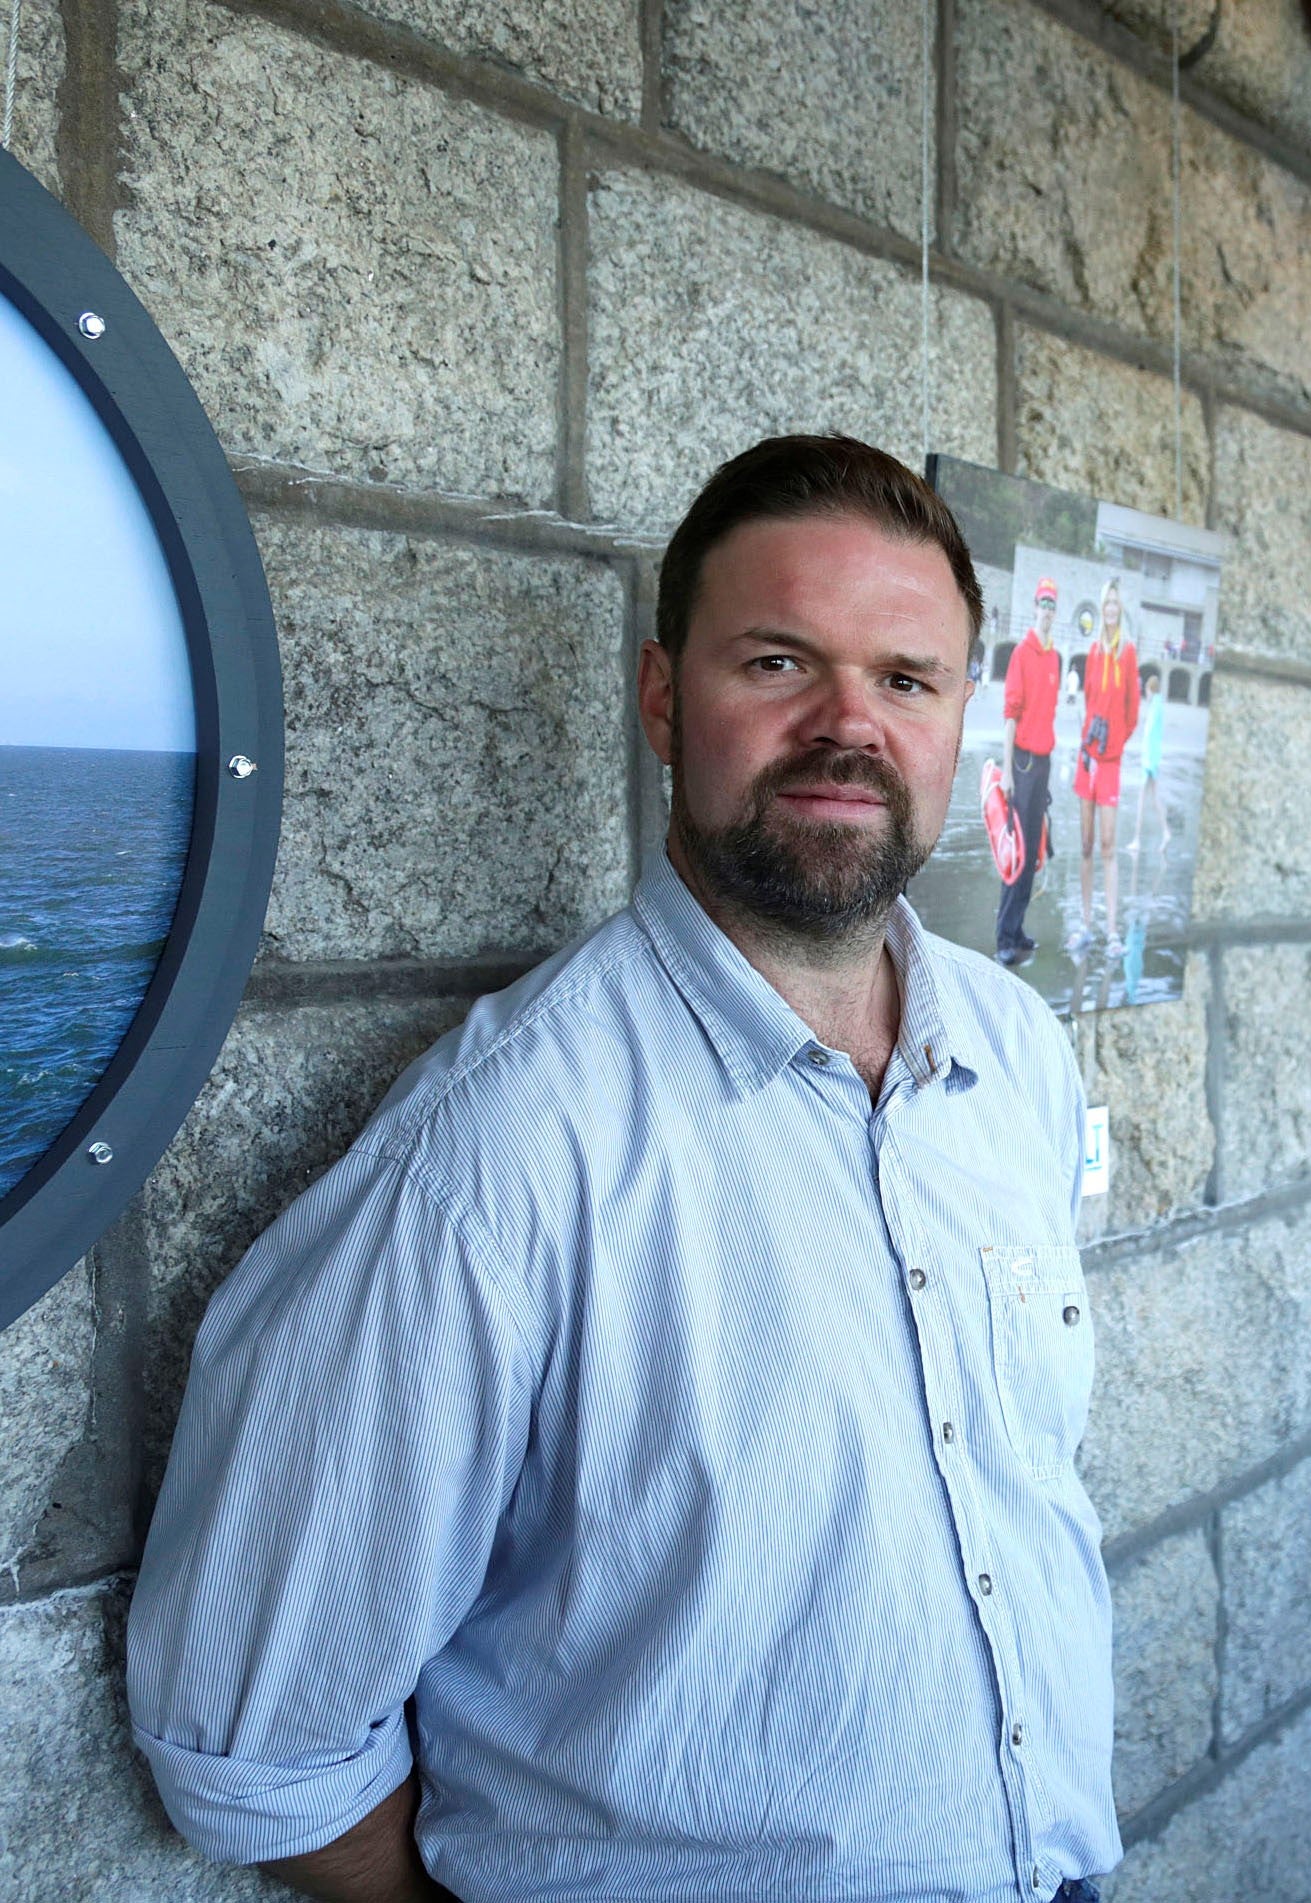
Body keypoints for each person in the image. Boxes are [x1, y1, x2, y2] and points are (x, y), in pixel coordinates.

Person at [126, 435, 1119, 1903]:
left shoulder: (1017, 1052)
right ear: (662, 697)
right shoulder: (495, 1154)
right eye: (778, 663)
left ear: (960, 715)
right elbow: (250, 1735)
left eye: (904, 678)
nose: (848, 725)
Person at [1069, 577, 1141, 955]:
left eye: (1115, 603)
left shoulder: (1127, 653)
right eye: (1106, 603)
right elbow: (1088, 700)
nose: (1111, 609)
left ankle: (1112, 931)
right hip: (1087, 759)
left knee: (1109, 845)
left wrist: (1112, 746)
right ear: (1101, 609)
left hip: (1110, 763)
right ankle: (1085, 924)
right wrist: (1090, 744)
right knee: (1085, 843)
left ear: (1120, 608)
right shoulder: (1094, 651)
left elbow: (1132, 713)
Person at [995, 577, 1063, 967]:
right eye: (1043, 603)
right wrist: (1006, 772)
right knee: (1017, 851)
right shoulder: (1023, 652)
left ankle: (1018, 928)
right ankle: (1004, 935)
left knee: (1034, 845)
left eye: (1053, 604)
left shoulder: (1055, 657)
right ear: (1035, 607)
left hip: (1044, 763)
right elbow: (1010, 714)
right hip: (1020, 763)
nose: (1048, 610)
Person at [1124, 674, 1169, 859]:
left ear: (1151, 689)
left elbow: (1149, 734)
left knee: (1143, 801)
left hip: (1150, 760)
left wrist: (1148, 762)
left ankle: (1137, 840)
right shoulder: (1158, 705)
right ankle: (1165, 832)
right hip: (1153, 759)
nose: (1146, 695)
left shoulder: (1155, 707)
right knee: (1152, 799)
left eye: (1146, 691)